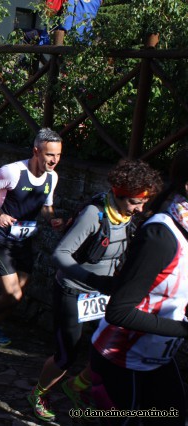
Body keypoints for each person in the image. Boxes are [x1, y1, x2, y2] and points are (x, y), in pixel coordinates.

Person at [27, 160, 162, 422]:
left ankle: (76, 387)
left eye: (143, 202)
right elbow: (60, 254)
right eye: (135, 202)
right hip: (74, 291)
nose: (140, 208)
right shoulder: (95, 213)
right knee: (67, 354)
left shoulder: (127, 213)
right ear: (119, 194)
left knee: (111, 347)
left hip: (105, 293)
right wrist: (95, 281)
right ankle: (38, 393)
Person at [89, 149, 188, 426]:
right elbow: (118, 312)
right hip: (121, 357)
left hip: (158, 355)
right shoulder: (161, 235)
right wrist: (184, 330)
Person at [0, 128, 64, 347]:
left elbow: (46, 207)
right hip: (2, 240)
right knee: (12, 294)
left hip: (24, 242)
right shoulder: (12, 172)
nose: (54, 160)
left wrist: (53, 219)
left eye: (58, 155)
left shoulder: (52, 177)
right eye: (50, 155)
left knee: (19, 295)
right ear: (36, 151)